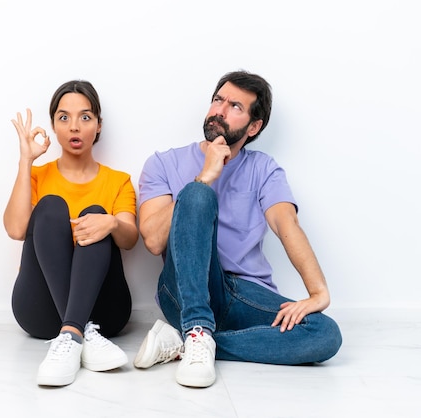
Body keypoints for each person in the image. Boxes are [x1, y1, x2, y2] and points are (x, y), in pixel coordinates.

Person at [133, 70, 342, 388]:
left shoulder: (263, 169)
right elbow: (152, 239)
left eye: (235, 107)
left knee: (325, 334)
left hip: (242, 294)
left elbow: (287, 224)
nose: (220, 110)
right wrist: (205, 176)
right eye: (218, 100)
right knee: (197, 194)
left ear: (254, 126)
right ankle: (198, 327)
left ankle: (186, 341)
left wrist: (318, 293)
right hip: (184, 290)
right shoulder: (163, 163)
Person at [3, 80, 138, 387]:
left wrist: (112, 224)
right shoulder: (37, 175)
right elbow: (15, 229)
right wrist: (26, 161)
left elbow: (130, 239)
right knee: (50, 207)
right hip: (40, 310)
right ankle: (77, 331)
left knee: (96, 215)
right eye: (64, 118)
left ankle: (73, 331)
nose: (75, 127)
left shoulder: (118, 181)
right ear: (53, 125)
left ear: (99, 126)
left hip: (105, 312)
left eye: (85, 117)